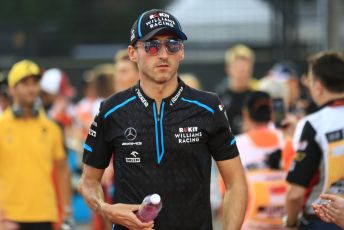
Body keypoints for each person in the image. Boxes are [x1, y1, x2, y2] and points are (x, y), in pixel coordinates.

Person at [78, 9, 248, 230]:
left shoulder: (208, 107)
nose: (163, 54)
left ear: (182, 52)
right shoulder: (111, 110)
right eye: (151, 46)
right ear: (132, 53)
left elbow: (236, 182)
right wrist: (105, 208)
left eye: (172, 44)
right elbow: (88, 182)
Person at [0, 60, 72, 230]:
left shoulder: (51, 127)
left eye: (35, 83)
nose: (31, 88)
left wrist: (67, 213)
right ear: (11, 89)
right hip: (9, 217)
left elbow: (62, 170)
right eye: (24, 83)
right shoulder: (1, 127)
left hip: (45, 215)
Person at [284, 51, 344, 229]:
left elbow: (295, 194)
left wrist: (290, 223)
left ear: (318, 86)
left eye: (309, 81)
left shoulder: (313, 124)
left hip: (321, 219)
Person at [236, 91, 288, 229]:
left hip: (249, 223)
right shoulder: (288, 140)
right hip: (285, 222)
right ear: (272, 113)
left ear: (246, 114)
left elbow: (228, 192)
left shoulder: (235, 144)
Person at [218, 44, 258, 135]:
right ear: (228, 69)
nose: (241, 74)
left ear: (251, 70)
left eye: (245, 69)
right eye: (237, 69)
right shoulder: (218, 98)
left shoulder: (257, 97)